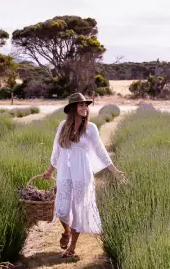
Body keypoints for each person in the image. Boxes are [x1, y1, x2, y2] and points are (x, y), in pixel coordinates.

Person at [40, 92, 124, 258]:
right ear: (72, 108)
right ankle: (66, 231)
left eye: (86, 105)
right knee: (62, 209)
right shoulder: (62, 127)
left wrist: (114, 170)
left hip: (82, 173)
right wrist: (50, 170)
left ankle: (72, 248)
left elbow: (100, 150)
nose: (85, 108)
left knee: (79, 209)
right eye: (81, 105)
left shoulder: (90, 129)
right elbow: (56, 150)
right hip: (64, 172)